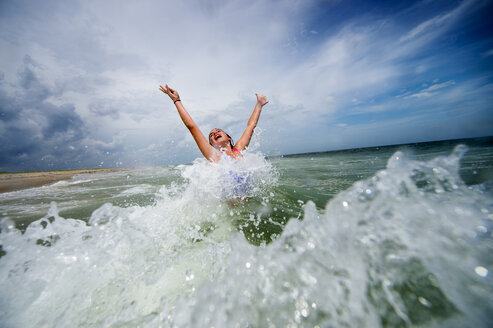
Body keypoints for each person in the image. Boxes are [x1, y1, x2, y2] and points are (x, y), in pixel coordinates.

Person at [159, 84, 268, 163]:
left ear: (229, 138)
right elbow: (192, 127)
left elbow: (251, 126)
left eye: (218, 131)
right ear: (211, 144)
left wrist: (259, 105)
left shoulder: (238, 149)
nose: (214, 133)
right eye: (211, 135)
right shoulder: (214, 155)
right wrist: (176, 100)